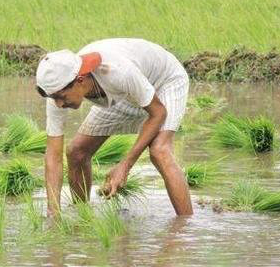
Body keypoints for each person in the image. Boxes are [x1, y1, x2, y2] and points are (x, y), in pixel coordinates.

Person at [35, 38, 193, 219]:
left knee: (159, 150)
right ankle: (83, 217)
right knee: (76, 152)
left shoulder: (119, 71)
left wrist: (125, 166)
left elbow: (158, 113)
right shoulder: (57, 91)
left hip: (164, 82)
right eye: (54, 98)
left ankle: (185, 228)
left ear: (79, 80)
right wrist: (53, 212)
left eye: (62, 97)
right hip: (124, 94)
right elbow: (53, 155)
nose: (59, 104)